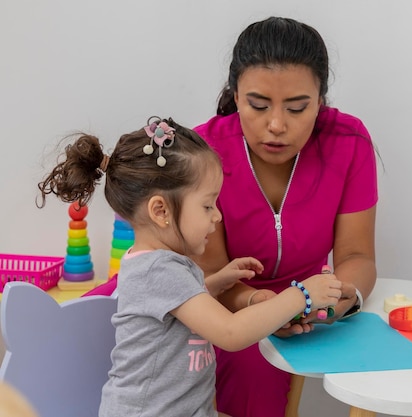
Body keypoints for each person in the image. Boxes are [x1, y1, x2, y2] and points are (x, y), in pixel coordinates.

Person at [37, 116, 341, 417]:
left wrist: (216, 282)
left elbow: (172, 307)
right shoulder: (159, 270)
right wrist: (302, 294)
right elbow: (231, 333)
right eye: (208, 206)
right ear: (161, 211)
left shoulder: (155, 263)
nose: (217, 217)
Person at [193, 16, 378, 417]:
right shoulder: (202, 152)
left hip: (306, 302)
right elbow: (209, 278)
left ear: (320, 101)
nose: (276, 125)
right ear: (236, 96)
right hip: (215, 303)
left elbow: (357, 256)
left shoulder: (349, 143)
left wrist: (343, 297)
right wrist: (264, 305)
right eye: (258, 105)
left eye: (297, 108)